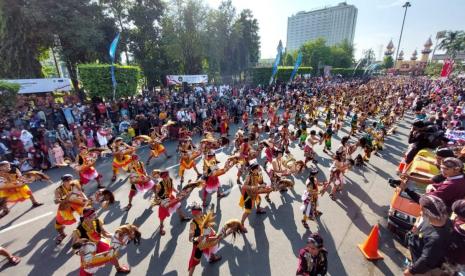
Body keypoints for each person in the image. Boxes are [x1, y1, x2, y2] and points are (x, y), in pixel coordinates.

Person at [72, 208, 130, 275]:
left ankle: (118, 268)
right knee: (87, 270)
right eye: (93, 215)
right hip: (88, 251)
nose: (96, 216)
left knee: (111, 255)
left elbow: (106, 234)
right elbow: (74, 247)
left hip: (99, 244)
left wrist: (117, 237)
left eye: (95, 214)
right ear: (86, 218)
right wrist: (79, 252)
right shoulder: (78, 231)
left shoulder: (97, 222)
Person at [404, 195, 452, 276]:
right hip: (416, 255)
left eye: (421, 209)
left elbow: (425, 260)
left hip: (421, 269)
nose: (420, 211)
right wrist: (416, 230)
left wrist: (411, 271)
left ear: (426, 211)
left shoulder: (436, 239)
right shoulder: (440, 219)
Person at [153, 170, 191, 236]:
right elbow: (157, 195)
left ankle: (182, 218)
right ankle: (161, 228)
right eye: (166, 176)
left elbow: (172, 187)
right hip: (164, 201)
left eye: (168, 175)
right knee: (162, 216)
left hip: (171, 197)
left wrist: (177, 192)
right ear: (163, 177)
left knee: (178, 207)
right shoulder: (159, 185)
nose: (167, 177)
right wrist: (162, 202)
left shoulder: (170, 179)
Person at [54, 174, 88, 244]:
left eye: (70, 179)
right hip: (65, 205)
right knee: (58, 222)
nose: (69, 181)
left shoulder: (75, 185)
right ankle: (62, 234)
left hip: (76, 202)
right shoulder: (58, 190)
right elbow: (56, 201)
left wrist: (85, 198)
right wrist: (66, 197)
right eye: (66, 180)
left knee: (86, 213)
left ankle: (83, 231)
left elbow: (81, 193)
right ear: (63, 181)